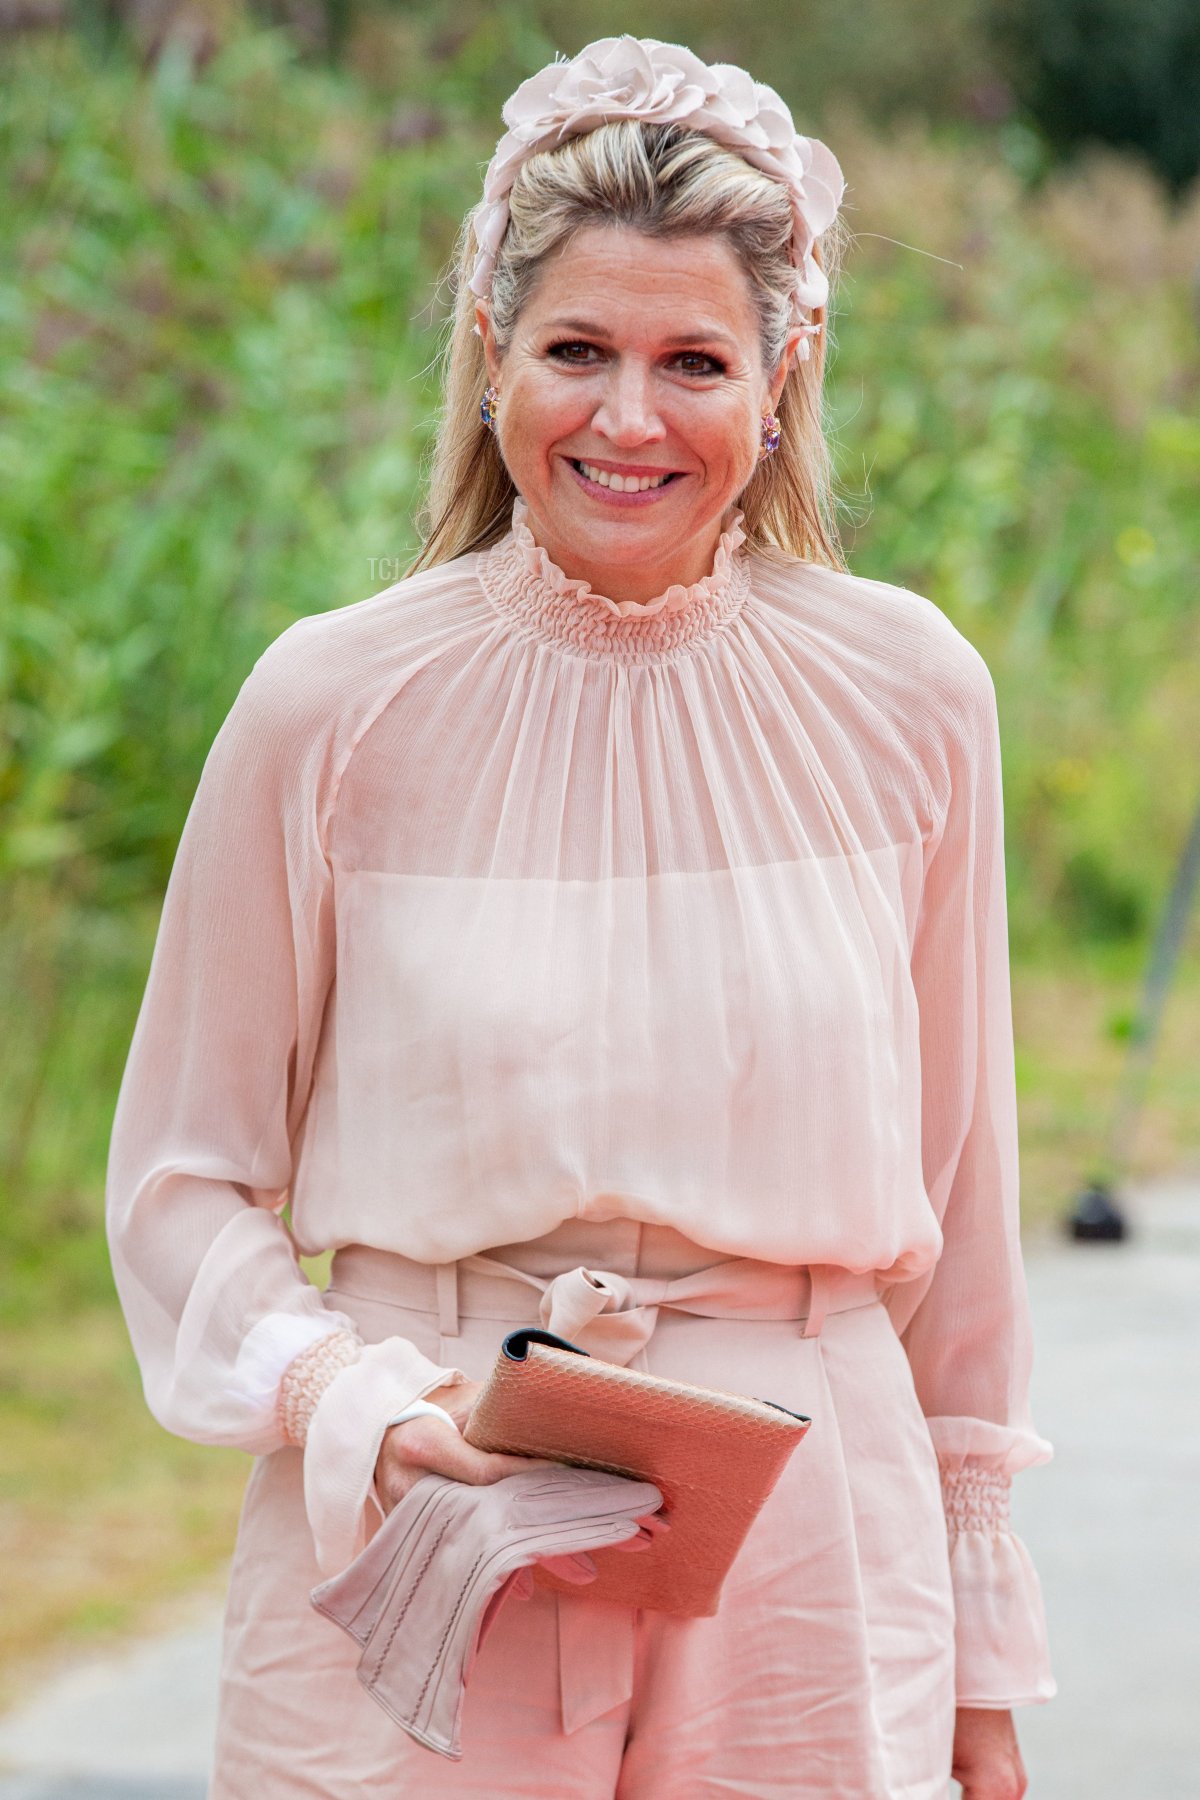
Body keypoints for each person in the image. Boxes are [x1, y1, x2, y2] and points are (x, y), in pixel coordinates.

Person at [105, 34, 1057, 1800]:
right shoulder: (331, 707)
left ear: (787, 372)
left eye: (694, 359)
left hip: (804, 1529)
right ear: (489, 356)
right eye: (576, 352)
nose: (629, 419)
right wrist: (353, 1403)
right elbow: (179, 1186)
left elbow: (964, 1213)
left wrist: (982, 1673)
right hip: (432, 1494)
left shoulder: (913, 693)